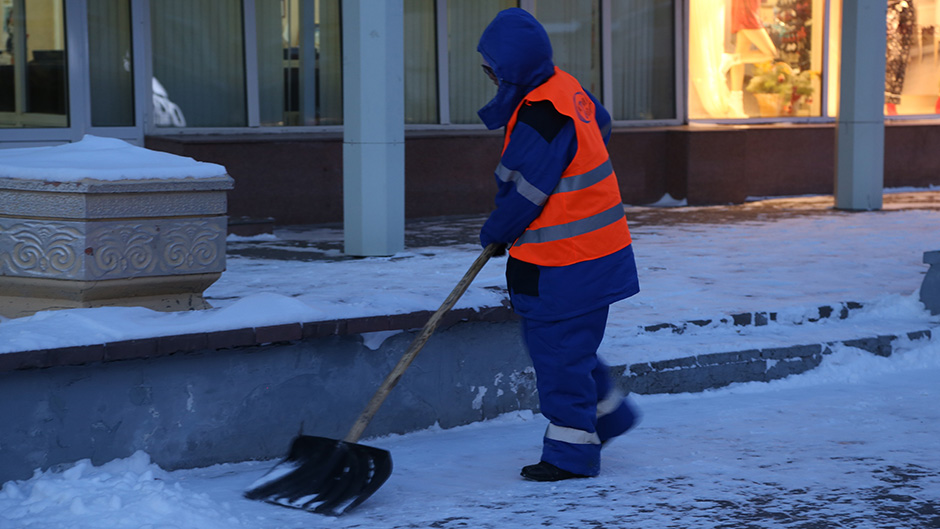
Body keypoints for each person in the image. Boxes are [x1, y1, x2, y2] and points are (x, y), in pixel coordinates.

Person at [476, 8, 640, 482]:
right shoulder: (565, 88)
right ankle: (608, 414)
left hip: (562, 264)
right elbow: (601, 124)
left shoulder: (539, 117)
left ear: (510, 69)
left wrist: (498, 230)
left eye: (492, 69)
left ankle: (571, 453)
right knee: (570, 348)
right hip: (597, 256)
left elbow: (524, 191)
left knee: (558, 357)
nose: (489, 77)